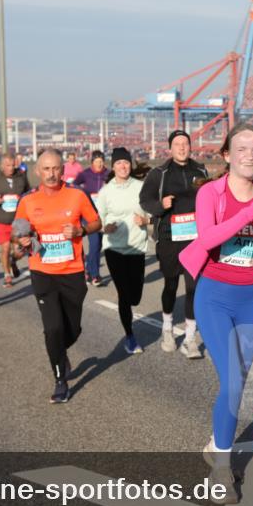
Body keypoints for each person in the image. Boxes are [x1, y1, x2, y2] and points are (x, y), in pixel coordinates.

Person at [178, 124, 253, 503]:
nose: (249, 155)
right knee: (235, 383)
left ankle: (217, 439)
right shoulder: (211, 193)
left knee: (237, 380)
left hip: (252, 297)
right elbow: (207, 238)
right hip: (215, 298)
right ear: (226, 155)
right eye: (241, 149)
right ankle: (221, 471)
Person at [13, 149, 102, 404]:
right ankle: (60, 380)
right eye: (46, 169)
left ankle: (60, 349)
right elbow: (19, 230)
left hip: (72, 272)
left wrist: (80, 230)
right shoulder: (28, 201)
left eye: (55, 169)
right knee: (52, 328)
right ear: (38, 172)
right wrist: (24, 240)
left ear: (63, 170)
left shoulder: (77, 195)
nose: (51, 174)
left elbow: (97, 223)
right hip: (43, 273)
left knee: (71, 329)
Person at [139, 129, 209, 358]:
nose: (182, 147)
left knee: (193, 288)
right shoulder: (159, 173)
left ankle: (190, 339)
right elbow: (145, 200)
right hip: (169, 237)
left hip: (194, 238)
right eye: (177, 144)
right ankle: (167, 328)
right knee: (170, 285)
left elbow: (209, 198)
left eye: (185, 144)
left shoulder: (200, 170)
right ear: (170, 148)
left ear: (190, 147)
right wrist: (161, 205)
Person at [97, 147, 149, 354]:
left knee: (135, 296)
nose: (123, 166)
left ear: (131, 164)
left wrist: (145, 220)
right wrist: (104, 227)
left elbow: (152, 212)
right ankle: (130, 336)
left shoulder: (141, 187)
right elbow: (97, 219)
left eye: (126, 162)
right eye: (119, 163)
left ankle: (129, 314)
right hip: (114, 248)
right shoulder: (105, 192)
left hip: (137, 246)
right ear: (113, 166)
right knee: (124, 295)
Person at [0, 153, 30, 287]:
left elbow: (29, 194)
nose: (11, 168)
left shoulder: (21, 176)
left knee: (20, 250)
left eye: (13, 165)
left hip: (18, 222)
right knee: (5, 248)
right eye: (7, 165)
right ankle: (7, 276)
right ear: (2, 165)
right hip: (2, 220)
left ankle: (13, 261)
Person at [73, 151, 108, 285]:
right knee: (94, 244)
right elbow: (74, 186)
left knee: (98, 245)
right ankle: (95, 275)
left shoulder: (108, 174)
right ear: (92, 162)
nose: (99, 164)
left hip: (103, 215)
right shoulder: (85, 174)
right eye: (97, 161)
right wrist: (82, 197)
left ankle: (88, 270)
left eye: (101, 161)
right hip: (88, 215)